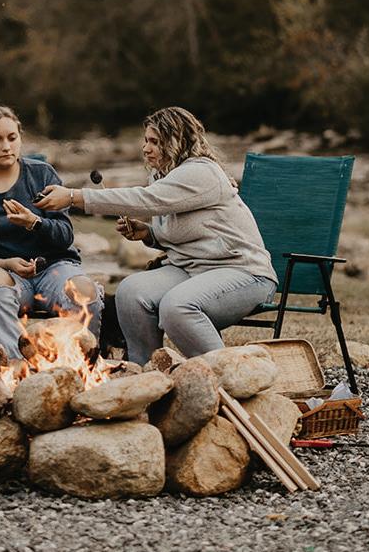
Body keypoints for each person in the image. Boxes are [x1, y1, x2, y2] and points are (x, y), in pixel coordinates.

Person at [34, 106, 277, 363]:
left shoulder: (201, 171)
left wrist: (74, 196)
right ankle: (143, 370)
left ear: (178, 142)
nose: (146, 148)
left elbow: (147, 200)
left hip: (243, 272)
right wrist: (149, 234)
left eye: (156, 142)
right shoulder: (162, 175)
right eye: (146, 140)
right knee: (131, 291)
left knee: (177, 307)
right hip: (190, 269)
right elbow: (188, 231)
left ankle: (226, 372)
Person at [0, 105, 102, 361]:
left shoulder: (42, 175)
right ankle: (17, 363)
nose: (6, 146)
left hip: (54, 269)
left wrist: (35, 223)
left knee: (85, 290)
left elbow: (65, 235)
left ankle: (81, 362)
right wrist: (5, 263)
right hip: (10, 278)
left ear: (20, 138)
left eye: (12, 138)